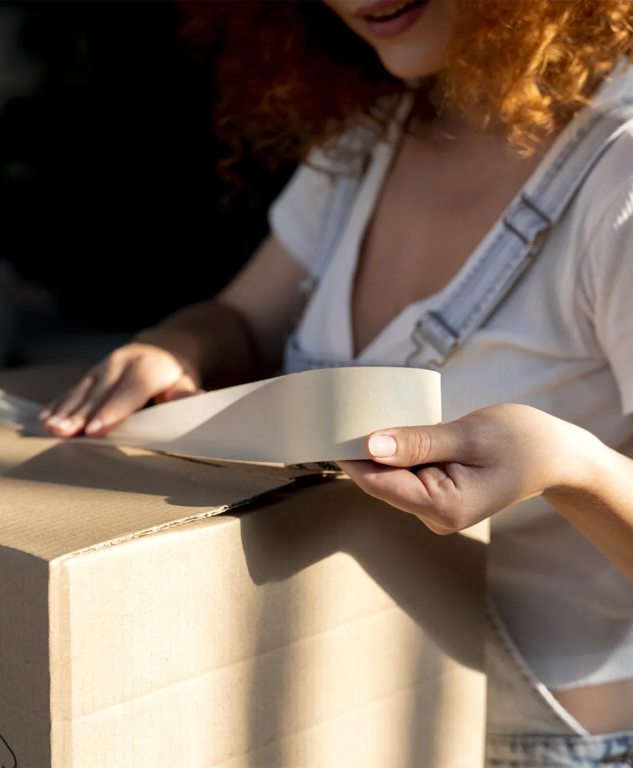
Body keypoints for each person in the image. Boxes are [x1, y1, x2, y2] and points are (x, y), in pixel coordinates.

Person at [38, 0, 633, 765]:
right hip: (334, 718)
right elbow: (243, 317)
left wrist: (568, 468)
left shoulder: (619, 179)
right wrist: (179, 344)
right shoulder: (370, 138)